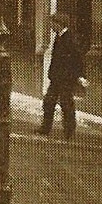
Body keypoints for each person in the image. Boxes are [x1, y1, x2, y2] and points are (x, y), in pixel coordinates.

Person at [39, 11, 86, 139]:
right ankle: (45, 128)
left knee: (66, 104)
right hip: (56, 78)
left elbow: (78, 58)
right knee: (49, 102)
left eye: (53, 23)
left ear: (59, 24)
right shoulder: (59, 36)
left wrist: (80, 76)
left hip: (66, 78)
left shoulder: (69, 38)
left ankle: (69, 131)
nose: (51, 26)